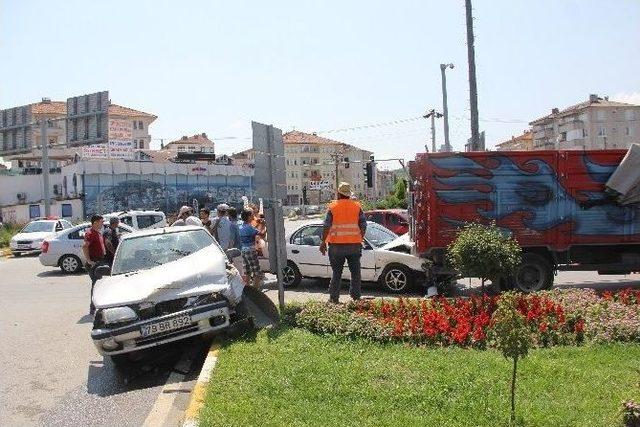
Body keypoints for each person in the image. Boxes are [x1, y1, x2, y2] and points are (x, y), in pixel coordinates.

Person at [319, 182, 367, 304]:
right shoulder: (357, 206)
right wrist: (359, 238)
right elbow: (363, 225)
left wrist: (323, 242)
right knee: (356, 273)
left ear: (338, 193)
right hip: (354, 246)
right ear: (349, 194)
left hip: (336, 246)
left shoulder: (333, 207)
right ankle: (356, 297)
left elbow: (326, 226)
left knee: (336, 273)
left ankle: (334, 298)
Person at [83, 214, 106, 315]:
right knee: (96, 285)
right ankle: (93, 308)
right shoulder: (90, 233)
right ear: (96, 222)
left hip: (100, 261)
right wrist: (88, 260)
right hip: (94, 262)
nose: (102, 224)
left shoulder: (98, 233)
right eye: (101, 222)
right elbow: (85, 246)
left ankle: (98, 306)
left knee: (100, 285)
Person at [239, 208, 266, 287]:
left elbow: (254, 230)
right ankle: (255, 291)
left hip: (243, 250)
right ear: (249, 217)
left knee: (247, 272)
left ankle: (248, 291)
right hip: (250, 251)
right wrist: (264, 225)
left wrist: (258, 224)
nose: (254, 216)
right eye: (252, 215)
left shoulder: (241, 225)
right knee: (257, 273)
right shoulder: (249, 227)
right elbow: (262, 234)